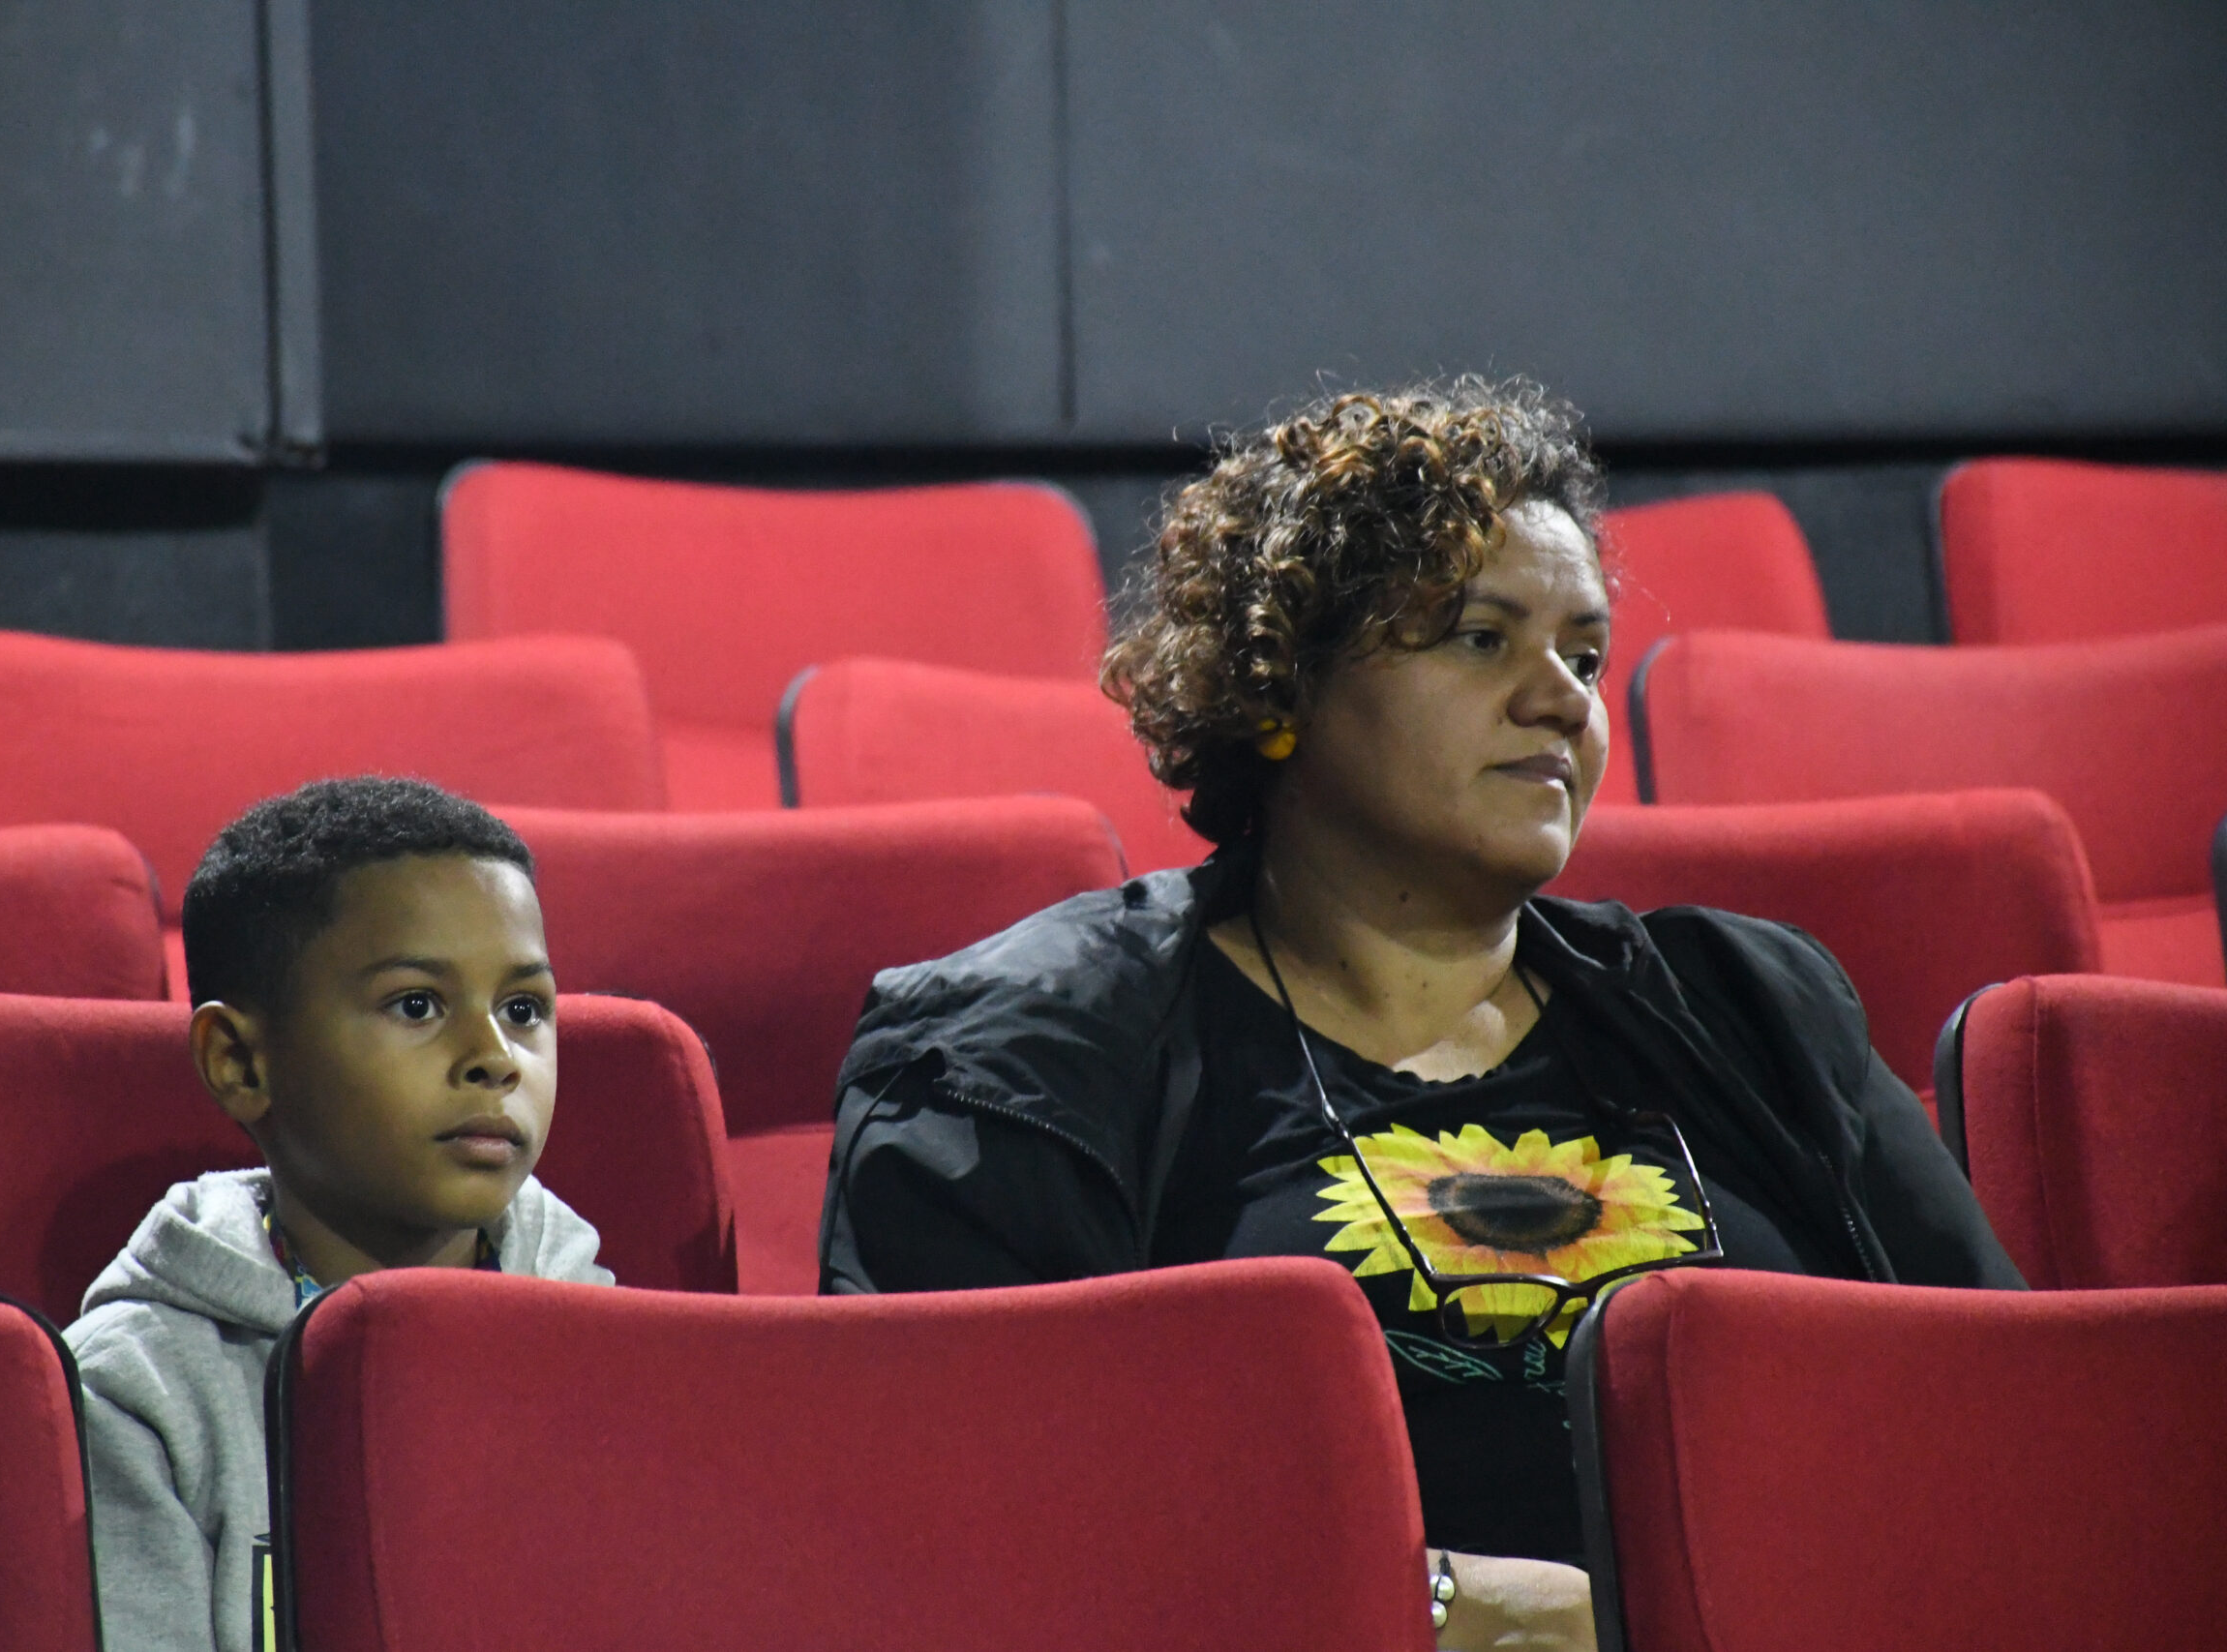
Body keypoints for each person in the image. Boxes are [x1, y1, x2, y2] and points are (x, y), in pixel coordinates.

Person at [818, 380, 2023, 1651]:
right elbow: (972, 1531)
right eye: (1480, 639)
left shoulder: (1753, 1009)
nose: (1561, 698)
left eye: (1585, 655)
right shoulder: (1024, 1056)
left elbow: (2012, 1428)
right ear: (1279, 687)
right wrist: (1445, 1603)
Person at [66, 777, 612, 1652]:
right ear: (240, 1062)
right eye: (416, 1004)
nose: (494, 1057)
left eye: (523, 1009)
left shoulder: (611, 1339)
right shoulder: (138, 1399)